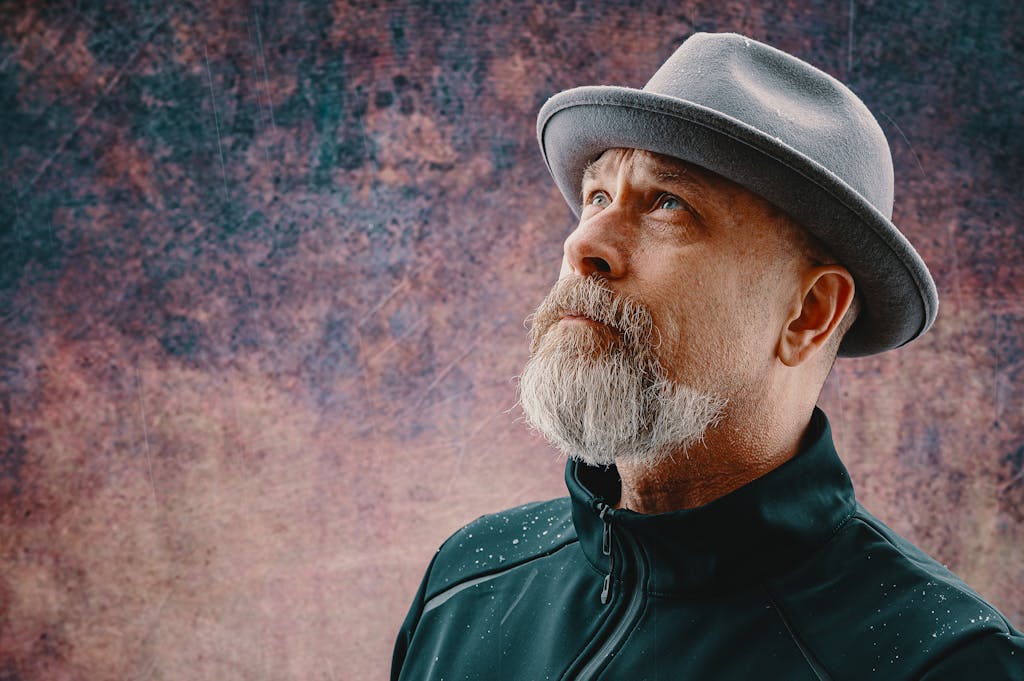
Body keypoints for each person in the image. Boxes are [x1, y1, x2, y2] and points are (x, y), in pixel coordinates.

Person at [390, 32, 1024, 680]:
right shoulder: (463, 584)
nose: (585, 243)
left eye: (669, 203)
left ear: (810, 313)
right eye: (598, 195)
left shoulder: (946, 661)